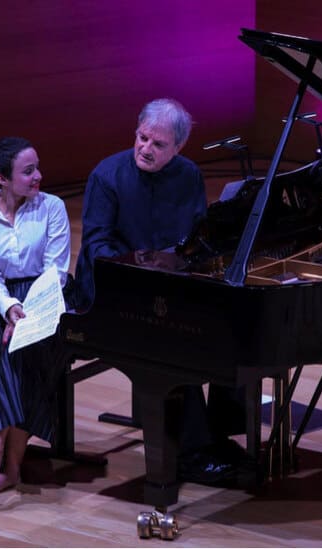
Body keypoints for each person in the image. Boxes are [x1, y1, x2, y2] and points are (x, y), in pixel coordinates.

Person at [76, 98, 248, 484]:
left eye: (158, 144)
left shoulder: (188, 175)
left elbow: (196, 237)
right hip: (113, 294)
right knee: (174, 346)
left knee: (233, 329)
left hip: (168, 286)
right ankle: (191, 453)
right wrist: (142, 268)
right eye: (142, 138)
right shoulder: (107, 176)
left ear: (178, 147)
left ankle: (219, 435)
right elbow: (97, 247)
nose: (145, 149)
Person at [0, 136, 74, 496]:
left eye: (37, 168)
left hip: (49, 300)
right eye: (28, 172)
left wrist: (28, 314)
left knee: (17, 359)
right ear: (2, 179)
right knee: (15, 360)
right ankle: (11, 465)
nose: (38, 176)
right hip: (9, 302)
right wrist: (10, 309)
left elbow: (56, 269)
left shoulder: (52, 207)